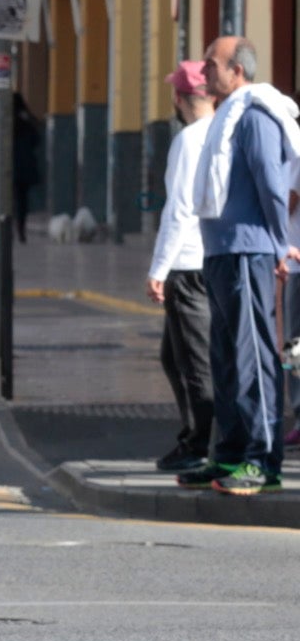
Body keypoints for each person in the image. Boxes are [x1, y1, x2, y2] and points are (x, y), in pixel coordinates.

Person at [183, 36, 300, 495]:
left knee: (252, 358)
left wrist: (279, 243)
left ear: (237, 71)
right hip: (219, 252)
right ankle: (228, 455)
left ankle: (261, 461)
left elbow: (273, 185)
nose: (204, 70)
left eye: (212, 63)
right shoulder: (224, 120)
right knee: (227, 360)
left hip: (249, 251)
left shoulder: (253, 118)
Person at [145, 61, 215, 473]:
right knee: (175, 358)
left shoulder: (189, 140)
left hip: (188, 263)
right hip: (213, 258)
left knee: (193, 362)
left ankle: (199, 444)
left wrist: (159, 267)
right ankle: (196, 436)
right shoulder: (224, 132)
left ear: (180, 98)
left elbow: (180, 210)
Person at [11, 96, 40, 242]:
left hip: (10, 166)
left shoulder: (7, 121)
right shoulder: (26, 121)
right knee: (22, 200)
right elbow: (37, 140)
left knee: (12, 198)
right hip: (25, 166)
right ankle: (20, 228)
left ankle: (9, 226)